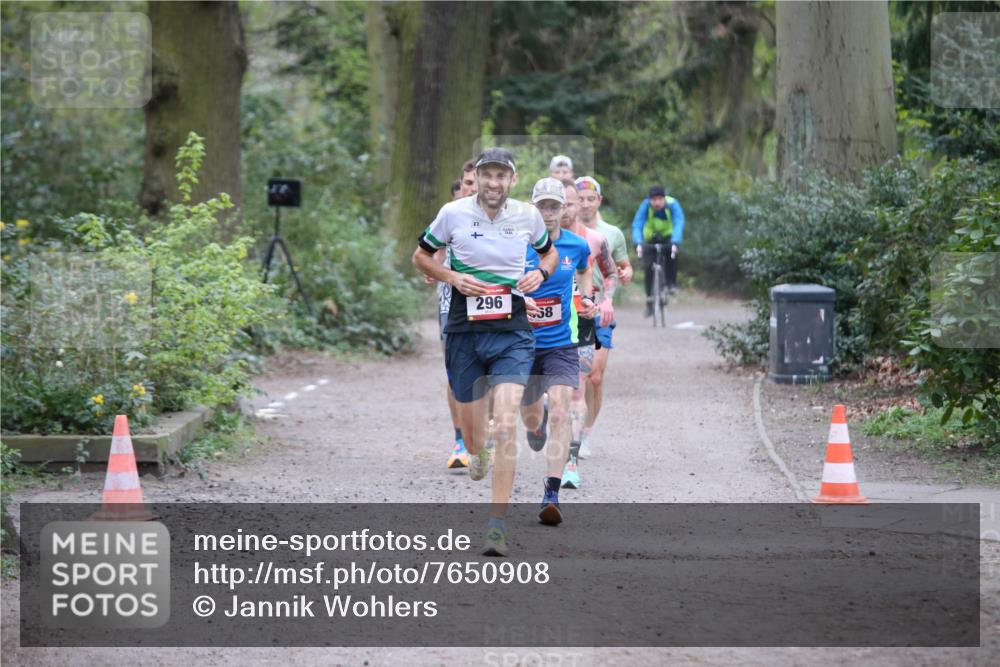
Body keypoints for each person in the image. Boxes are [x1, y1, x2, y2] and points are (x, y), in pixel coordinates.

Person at [413, 147, 558, 557]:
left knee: (505, 423)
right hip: (465, 330)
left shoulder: (527, 216)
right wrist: (451, 276)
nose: (494, 183)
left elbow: (549, 252)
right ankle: (477, 452)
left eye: (501, 175)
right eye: (487, 174)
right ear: (476, 176)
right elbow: (420, 256)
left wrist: (539, 272)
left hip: (513, 328)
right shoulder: (452, 213)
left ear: (512, 180)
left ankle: (497, 525)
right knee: (477, 438)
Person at [520, 177, 595, 525]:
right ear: (532, 209)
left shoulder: (577, 246)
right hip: (521, 344)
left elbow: (584, 272)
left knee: (563, 411)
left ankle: (552, 493)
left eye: (554, 207)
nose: (548, 214)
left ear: (563, 209)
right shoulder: (516, 245)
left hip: (561, 345)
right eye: (542, 207)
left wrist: (588, 298)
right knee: (534, 418)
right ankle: (537, 424)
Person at [559, 179, 617, 488]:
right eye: (563, 203)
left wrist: (605, 299)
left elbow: (610, 274)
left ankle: (571, 461)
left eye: (572, 203)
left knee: (580, 387)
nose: (569, 209)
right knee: (544, 395)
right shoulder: (535, 239)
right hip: (544, 323)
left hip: (582, 319)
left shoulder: (594, 240)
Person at [575, 176, 632, 458]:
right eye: (580, 199)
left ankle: (585, 434)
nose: (585, 204)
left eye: (590, 199)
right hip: (567, 307)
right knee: (571, 375)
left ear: (599, 200)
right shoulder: (561, 230)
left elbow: (622, 267)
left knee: (595, 377)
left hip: (599, 308)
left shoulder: (611, 234)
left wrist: (626, 274)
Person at [632, 185, 686, 315]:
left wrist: (675, 241)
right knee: (648, 265)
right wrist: (638, 242)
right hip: (651, 237)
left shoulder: (672, 204)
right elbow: (637, 223)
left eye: (659, 199)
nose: (656, 202)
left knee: (672, 255)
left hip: (669, 237)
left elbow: (679, 222)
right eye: (653, 199)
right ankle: (650, 299)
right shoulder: (645, 206)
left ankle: (671, 283)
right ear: (649, 199)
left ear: (664, 198)